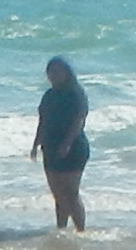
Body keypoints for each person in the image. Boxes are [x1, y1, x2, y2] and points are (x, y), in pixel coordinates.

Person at [31, 56, 93, 235]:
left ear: (67, 73)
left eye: (58, 71)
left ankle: (81, 231)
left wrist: (67, 144)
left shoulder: (76, 93)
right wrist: (36, 143)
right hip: (50, 147)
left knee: (71, 193)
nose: (54, 75)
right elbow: (43, 121)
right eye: (51, 72)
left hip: (74, 148)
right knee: (58, 194)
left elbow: (78, 121)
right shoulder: (49, 95)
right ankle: (61, 230)